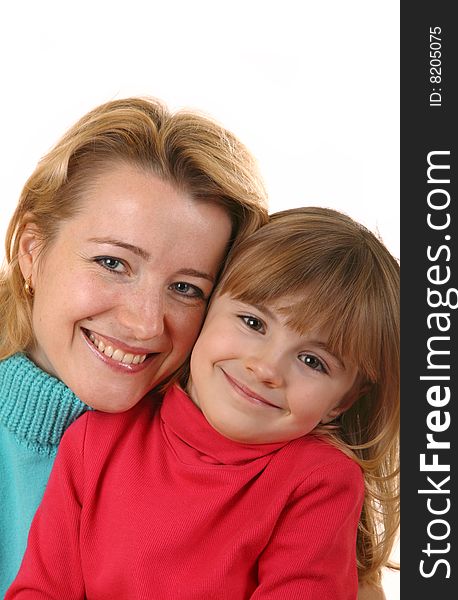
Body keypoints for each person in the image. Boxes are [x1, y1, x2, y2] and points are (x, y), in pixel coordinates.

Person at [7, 207, 400, 599]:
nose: (266, 368)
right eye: (253, 323)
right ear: (207, 310)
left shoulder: (319, 481)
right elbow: (40, 590)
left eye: (313, 361)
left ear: (344, 400)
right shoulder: (95, 439)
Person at [0, 96, 269, 595]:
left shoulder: (266, 463)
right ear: (32, 251)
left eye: (187, 288)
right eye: (112, 263)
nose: (146, 325)